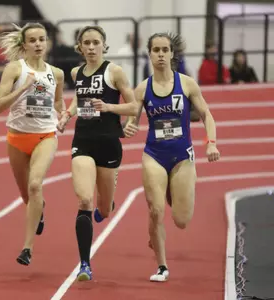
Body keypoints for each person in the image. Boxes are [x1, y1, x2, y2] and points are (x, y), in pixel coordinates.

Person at [123, 32, 220, 282]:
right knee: (155, 211)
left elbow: (207, 115)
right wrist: (128, 127)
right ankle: (162, 266)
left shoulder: (187, 84)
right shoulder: (143, 88)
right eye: (156, 50)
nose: (161, 55)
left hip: (182, 156)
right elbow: (131, 121)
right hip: (154, 155)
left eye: (165, 50)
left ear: (172, 53)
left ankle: (172, 192)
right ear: (150, 53)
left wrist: (211, 143)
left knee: (181, 220)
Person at [57, 25, 139, 281]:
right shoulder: (76, 71)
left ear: (104, 45)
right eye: (87, 43)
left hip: (108, 143)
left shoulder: (114, 71)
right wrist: (67, 114)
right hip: (83, 141)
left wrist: (109, 107)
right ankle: (85, 264)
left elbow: (134, 106)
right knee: (84, 200)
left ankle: (107, 204)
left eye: (96, 42)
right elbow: (79, 98)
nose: (91, 47)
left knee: (104, 207)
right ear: (79, 47)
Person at [0, 22, 65, 266]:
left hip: (45, 136)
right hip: (17, 138)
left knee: (35, 185)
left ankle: (27, 248)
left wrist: (63, 115)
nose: (37, 44)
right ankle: (39, 208)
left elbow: (58, 103)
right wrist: (23, 88)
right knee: (27, 195)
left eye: (41, 39)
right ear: (24, 45)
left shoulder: (56, 73)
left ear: (47, 43)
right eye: (32, 40)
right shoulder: (15, 69)